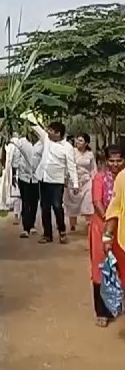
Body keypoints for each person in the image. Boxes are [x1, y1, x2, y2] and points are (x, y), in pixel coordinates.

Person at [26, 114, 78, 244]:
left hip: (57, 181)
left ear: (58, 133)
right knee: (44, 207)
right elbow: (36, 128)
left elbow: (71, 166)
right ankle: (47, 234)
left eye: (51, 131)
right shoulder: (47, 140)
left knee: (57, 206)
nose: (48, 132)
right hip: (43, 179)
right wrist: (27, 115)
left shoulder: (67, 148)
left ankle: (62, 231)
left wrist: (75, 184)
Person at [89, 145, 125, 327]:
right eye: (111, 160)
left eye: (119, 160)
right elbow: (97, 202)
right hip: (102, 228)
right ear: (105, 161)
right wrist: (110, 219)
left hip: (122, 228)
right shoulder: (100, 178)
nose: (115, 164)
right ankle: (102, 311)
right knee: (102, 269)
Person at [12, 131, 43, 238]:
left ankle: (32, 224)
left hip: (37, 177)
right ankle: (25, 228)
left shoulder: (41, 144)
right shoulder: (21, 142)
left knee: (34, 202)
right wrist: (14, 172)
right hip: (23, 176)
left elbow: (43, 159)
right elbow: (16, 157)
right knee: (25, 201)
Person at [65, 133, 97, 231]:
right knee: (72, 204)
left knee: (88, 202)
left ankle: (89, 223)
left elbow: (93, 169)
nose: (77, 142)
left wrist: (95, 179)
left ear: (86, 143)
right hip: (73, 181)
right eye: (77, 140)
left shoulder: (90, 154)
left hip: (87, 181)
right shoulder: (72, 152)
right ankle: (72, 224)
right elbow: (67, 166)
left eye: (81, 140)